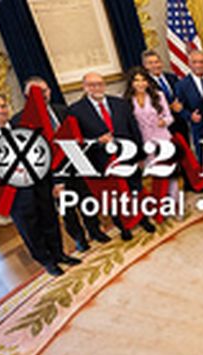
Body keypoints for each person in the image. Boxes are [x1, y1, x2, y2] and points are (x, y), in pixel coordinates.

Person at [0, 92, 81, 276]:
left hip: (41, 184)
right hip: (14, 192)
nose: (0, 110)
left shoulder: (23, 126)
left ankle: (59, 254)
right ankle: (47, 261)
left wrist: (55, 181)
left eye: (2, 106)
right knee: (30, 229)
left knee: (50, 220)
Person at [13, 77, 99, 252]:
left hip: (75, 166)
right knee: (67, 210)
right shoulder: (18, 121)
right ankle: (79, 238)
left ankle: (95, 231)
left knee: (86, 200)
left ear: (50, 91)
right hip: (51, 174)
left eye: (44, 91)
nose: (42, 95)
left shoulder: (63, 110)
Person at [69, 72, 156, 241]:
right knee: (114, 196)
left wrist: (140, 155)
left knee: (136, 190)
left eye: (100, 84)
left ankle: (143, 219)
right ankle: (123, 227)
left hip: (128, 156)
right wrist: (97, 141)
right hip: (102, 161)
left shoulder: (120, 103)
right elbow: (77, 140)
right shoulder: (76, 110)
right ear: (85, 87)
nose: (97, 88)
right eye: (92, 85)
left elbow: (134, 129)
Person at [124, 67, 179, 202]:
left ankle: (175, 202)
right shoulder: (126, 100)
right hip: (145, 143)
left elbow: (170, 117)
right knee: (156, 175)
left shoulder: (158, 95)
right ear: (131, 83)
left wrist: (164, 121)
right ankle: (162, 202)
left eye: (143, 80)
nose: (140, 83)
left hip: (163, 139)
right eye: (136, 80)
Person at [175, 50, 203, 162]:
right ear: (189, 64)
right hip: (200, 130)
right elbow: (179, 108)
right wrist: (190, 116)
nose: (199, 65)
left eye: (202, 62)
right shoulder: (182, 85)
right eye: (195, 62)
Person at [141, 50, 188, 139]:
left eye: (157, 62)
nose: (155, 65)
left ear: (161, 63)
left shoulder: (172, 77)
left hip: (180, 121)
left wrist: (181, 104)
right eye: (150, 63)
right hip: (162, 125)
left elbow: (182, 94)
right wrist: (169, 107)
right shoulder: (145, 83)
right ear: (145, 66)